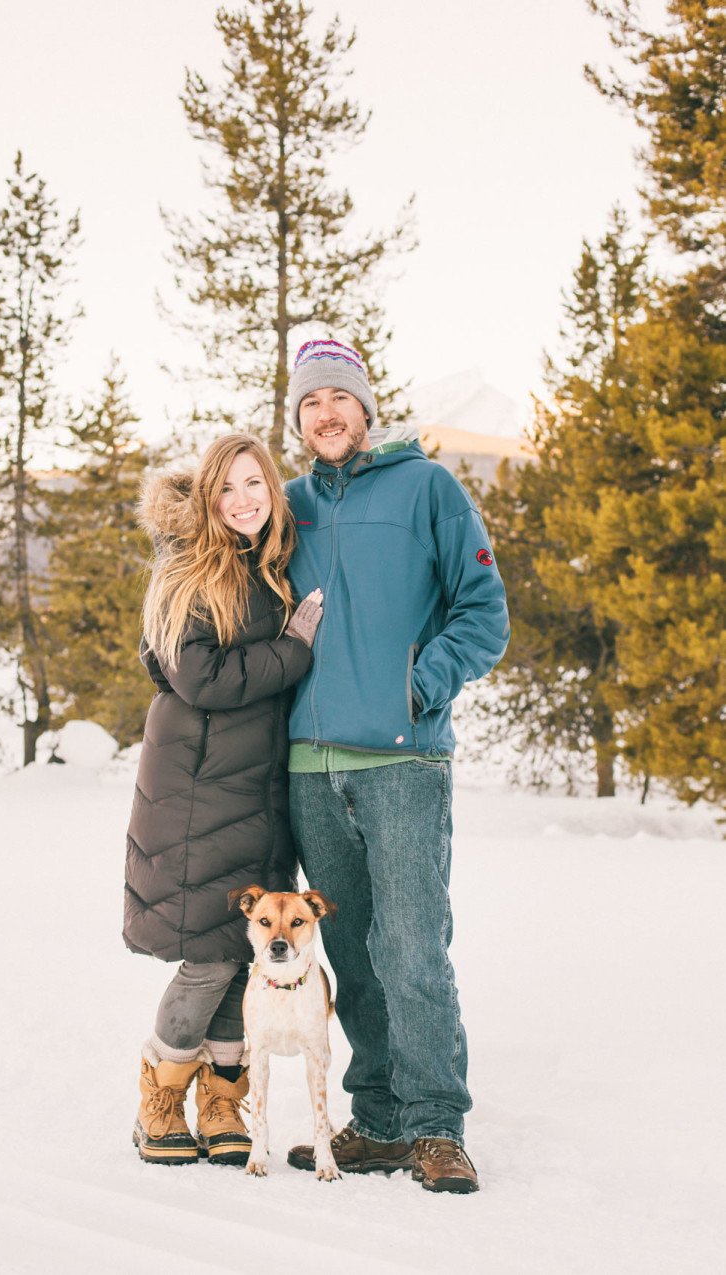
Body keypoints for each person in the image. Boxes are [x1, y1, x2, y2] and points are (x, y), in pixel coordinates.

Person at [282, 339, 510, 1193]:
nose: (328, 413)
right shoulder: (288, 504)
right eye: (311, 403)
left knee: (412, 946)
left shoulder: (427, 488)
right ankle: (377, 1119)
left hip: (404, 761)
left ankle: (435, 1124)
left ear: (365, 409)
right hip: (309, 764)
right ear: (298, 419)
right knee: (348, 944)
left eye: (340, 398)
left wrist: (419, 686)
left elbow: (484, 613)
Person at [124, 433, 323, 1167]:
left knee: (242, 961)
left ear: (272, 492)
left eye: (255, 485)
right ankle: (161, 1097)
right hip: (197, 794)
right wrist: (294, 649)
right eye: (226, 489)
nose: (242, 500)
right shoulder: (186, 571)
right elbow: (201, 678)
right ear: (207, 499)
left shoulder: (265, 569)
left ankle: (221, 1102)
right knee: (207, 958)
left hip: (257, 791)